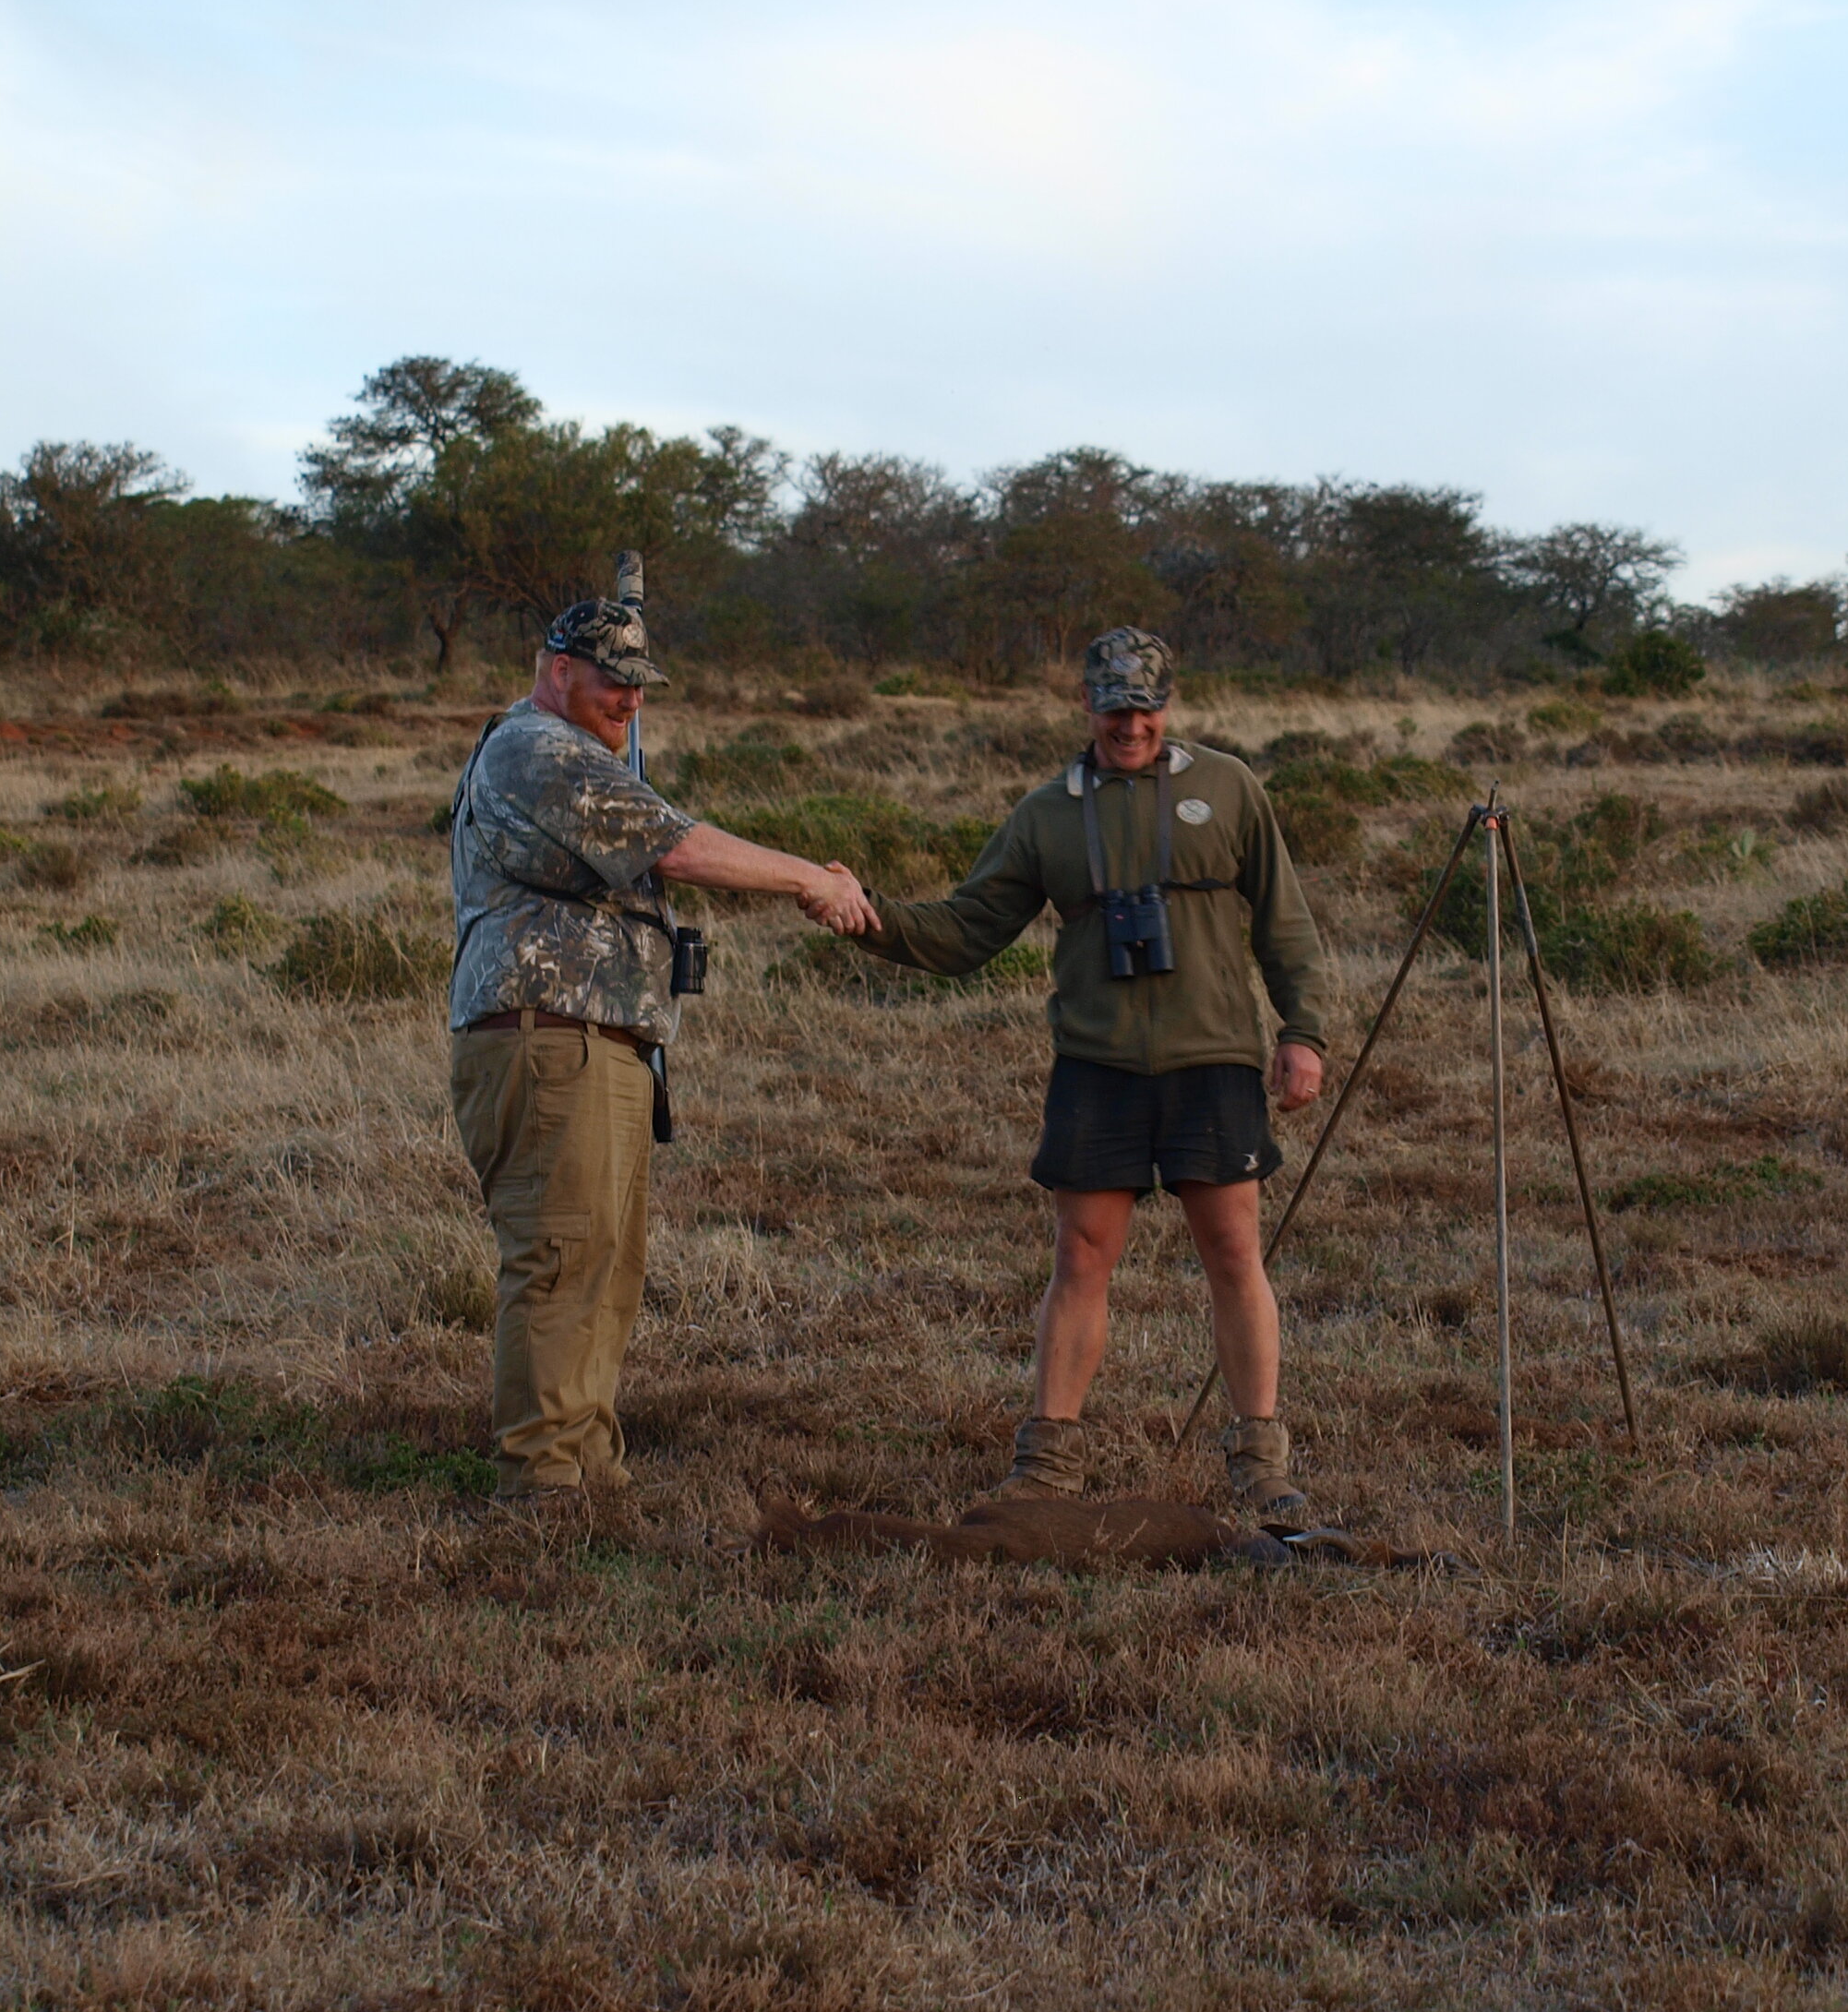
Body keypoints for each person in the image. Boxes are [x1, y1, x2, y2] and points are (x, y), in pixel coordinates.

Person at [851, 627, 1331, 1521]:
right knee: (1081, 1255)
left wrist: (1303, 1033)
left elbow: (1285, 923)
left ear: (1168, 704)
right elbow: (965, 931)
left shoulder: (1227, 788)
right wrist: (864, 917)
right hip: (1098, 1066)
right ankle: (1048, 1468)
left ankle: (1262, 1464)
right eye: (1114, 705)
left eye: (1145, 706)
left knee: (1232, 1253)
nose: (1131, 723)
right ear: (1086, 704)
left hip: (1214, 1059)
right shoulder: (1045, 814)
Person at [449, 596, 879, 1503]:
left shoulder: (565, 747)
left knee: (605, 1258)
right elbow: (677, 851)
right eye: (613, 682)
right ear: (557, 668)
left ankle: (586, 1461)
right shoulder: (540, 750)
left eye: (640, 687)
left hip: (594, 1037)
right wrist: (810, 878)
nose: (629, 703)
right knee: (563, 1257)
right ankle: (542, 1479)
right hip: (549, 1033)